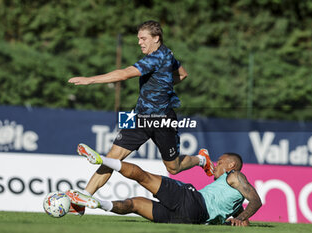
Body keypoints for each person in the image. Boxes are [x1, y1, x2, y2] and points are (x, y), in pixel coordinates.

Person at [67, 20, 213, 206]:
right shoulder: (167, 54)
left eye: (143, 38)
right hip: (137, 116)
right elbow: (182, 74)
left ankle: (202, 159)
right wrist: (164, 83)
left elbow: (124, 74)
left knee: (173, 167)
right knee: (112, 158)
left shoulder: (156, 57)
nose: (139, 42)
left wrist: (90, 80)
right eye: (138, 38)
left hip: (162, 119)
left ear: (156, 38)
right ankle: (81, 201)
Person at [66, 144, 262, 226]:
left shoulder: (235, 175)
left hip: (192, 200)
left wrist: (242, 217)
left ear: (232, 165)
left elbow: (255, 200)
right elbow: (242, 215)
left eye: (220, 162)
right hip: (191, 220)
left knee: (143, 176)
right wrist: (240, 219)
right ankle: (97, 202)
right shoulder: (235, 203)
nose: (217, 166)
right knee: (134, 204)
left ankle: (102, 160)